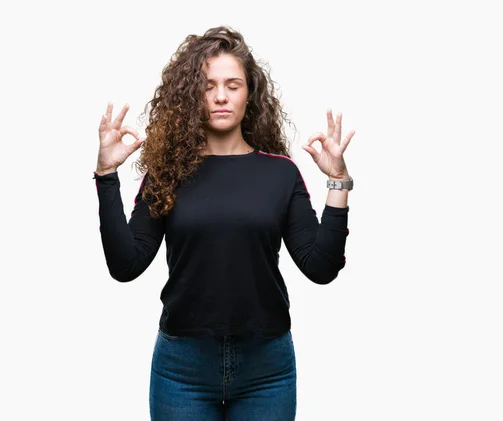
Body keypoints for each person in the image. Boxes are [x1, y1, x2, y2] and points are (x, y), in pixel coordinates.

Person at [93, 25, 354, 421]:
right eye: (208, 85)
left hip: (267, 370)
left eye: (232, 85)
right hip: (182, 368)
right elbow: (125, 266)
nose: (219, 96)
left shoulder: (281, 174)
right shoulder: (167, 173)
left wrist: (338, 183)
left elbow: (321, 267)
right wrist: (106, 175)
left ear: (250, 93)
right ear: (191, 95)